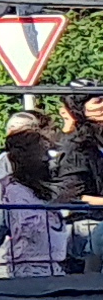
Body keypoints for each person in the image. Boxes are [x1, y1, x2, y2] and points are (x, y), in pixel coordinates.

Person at [0, 129, 67, 278]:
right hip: (27, 266)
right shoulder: (14, 191)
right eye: (43, 153)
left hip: (52, 263)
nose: (48, 160)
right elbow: (3, 225)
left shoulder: (41, 189)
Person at [55, 95, 103, 273]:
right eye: (98, 100)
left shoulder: (96, 142)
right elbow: (70, 196)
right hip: (86, 226)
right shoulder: (77, 148)